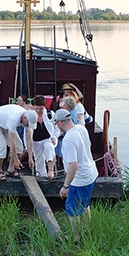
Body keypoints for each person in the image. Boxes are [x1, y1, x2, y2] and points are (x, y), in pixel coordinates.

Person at [54, 109, 98, 239]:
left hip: (80, 179)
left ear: (61, 123)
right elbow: (87, 146)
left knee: (72, 208)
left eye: (56, 122)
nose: (56, 125)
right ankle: (87, 231)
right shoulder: (81, 128)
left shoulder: (68, 139)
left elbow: (73, 165)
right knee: (85, 204)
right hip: (91, 173)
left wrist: (65, 186)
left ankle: (76, 238)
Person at [0, 104, 37, 180]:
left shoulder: (28, 118)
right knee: (1, 146)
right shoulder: (14, 118)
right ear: (25, 118)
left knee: (19, 147)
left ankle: (11, 170)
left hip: (5, 124)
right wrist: (16, 160)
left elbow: (29, 139)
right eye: (28, 124)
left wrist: (30, 158)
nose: (28, 126)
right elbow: (12, 140)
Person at [31, 95, 60, 179]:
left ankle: (50, 170)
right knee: (38, 159)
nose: (38, 111)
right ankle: (41, 175)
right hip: (36, 140)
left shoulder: (50, 114)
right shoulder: (31, 115)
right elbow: (27, 133)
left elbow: (57, 128)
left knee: (49, 148)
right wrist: (27, 146)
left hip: (48, 138)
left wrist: (55, 136)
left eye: (41, 109)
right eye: (36, 108)